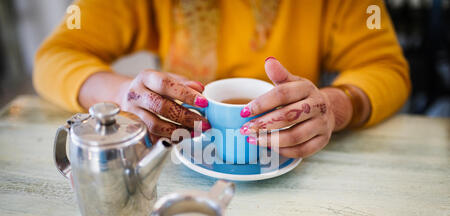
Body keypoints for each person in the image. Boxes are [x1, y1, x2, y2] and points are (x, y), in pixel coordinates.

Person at [34, 0, 410, 158]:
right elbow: (54, 56)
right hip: (175, 166)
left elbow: (384, 67)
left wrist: (333, 108)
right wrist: (123, 93)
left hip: (292, 158)